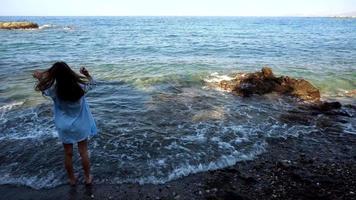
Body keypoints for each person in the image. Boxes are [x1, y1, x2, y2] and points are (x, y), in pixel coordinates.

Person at [33, 61, 97, 186]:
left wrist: (40, 77)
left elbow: (41, 87)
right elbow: (93, 83)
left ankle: (72, 179)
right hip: (80, 124)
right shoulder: (80, 86)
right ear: (69, 72)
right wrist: (87, 74)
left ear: (54, 75)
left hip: (63, 125)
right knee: (83, 151)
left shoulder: (54, 90)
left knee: (68, 153)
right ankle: (88, 177)